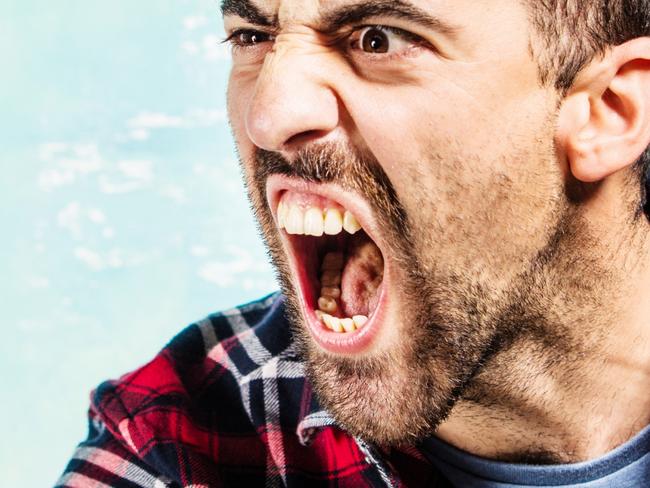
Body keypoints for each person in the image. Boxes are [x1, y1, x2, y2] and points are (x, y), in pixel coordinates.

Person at [57, 1, 650, 486]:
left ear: (610, 112)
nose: (267, 115)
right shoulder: (176, 442)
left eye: (378, 39)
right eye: (253, 36)